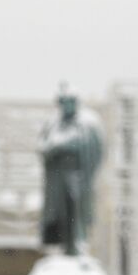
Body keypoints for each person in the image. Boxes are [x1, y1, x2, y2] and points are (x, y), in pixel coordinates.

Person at [38, 85, 103, 255]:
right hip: (58, 177)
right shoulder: (52, 125)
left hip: (79, 176)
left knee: (77, 210)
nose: (66, 107)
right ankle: (63, 244)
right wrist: (59, 146)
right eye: (63, 103)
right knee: (60, 212)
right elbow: (44, 148)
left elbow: (95, 150)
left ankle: (77, 243)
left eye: (70, 102)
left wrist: (68, 146)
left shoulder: (87, 124)